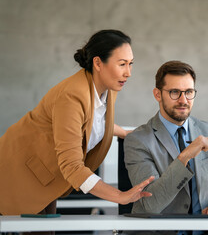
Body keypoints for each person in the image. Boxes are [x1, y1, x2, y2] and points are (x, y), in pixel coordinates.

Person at [0, 29, 154, 216]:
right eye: (122, 64)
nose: (128, 72)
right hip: (17, 172)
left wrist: (122, 132)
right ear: (98, 63)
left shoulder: (107, 88)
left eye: (130, 64)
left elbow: (89, 123)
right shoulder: (72, 96)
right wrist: (119, 196)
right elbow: (72, 167)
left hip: (45, 175)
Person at [124, 60, 208, 234]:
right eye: (174, 92)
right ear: (157, 94)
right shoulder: (138, 140)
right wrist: (184, 156)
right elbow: (151, 203)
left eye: (189, 92)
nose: (183, 100)